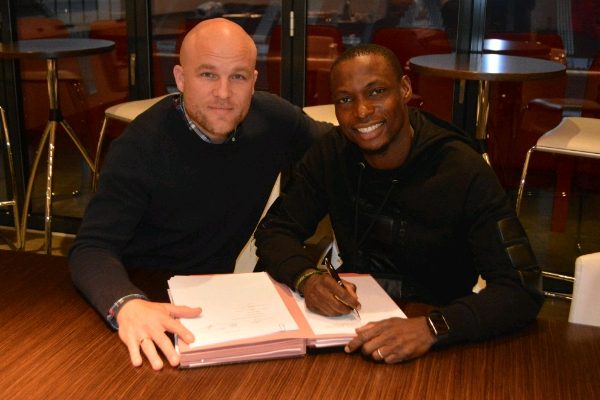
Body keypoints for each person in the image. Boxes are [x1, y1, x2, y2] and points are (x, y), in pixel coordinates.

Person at [69, 18, 330, 370]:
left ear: (254, 82)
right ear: (180, 79)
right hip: (142, 299)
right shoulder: (140, 147)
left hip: (217, 304)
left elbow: (338, 147)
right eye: (208, 74)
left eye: (238, 77)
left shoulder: (274, 120)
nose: (223, 93)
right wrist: (127, 303)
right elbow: (91, 248)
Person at [255, 44, 543, 364]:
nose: (362, 111)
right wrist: (306, 278)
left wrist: (433, 327)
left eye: (376, 92)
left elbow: (521, 289)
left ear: (404, 89)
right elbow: (275, 231)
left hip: (441, 333)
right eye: (345, 99)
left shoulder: (462, 168)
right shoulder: (332, 153)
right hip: (350, 325)